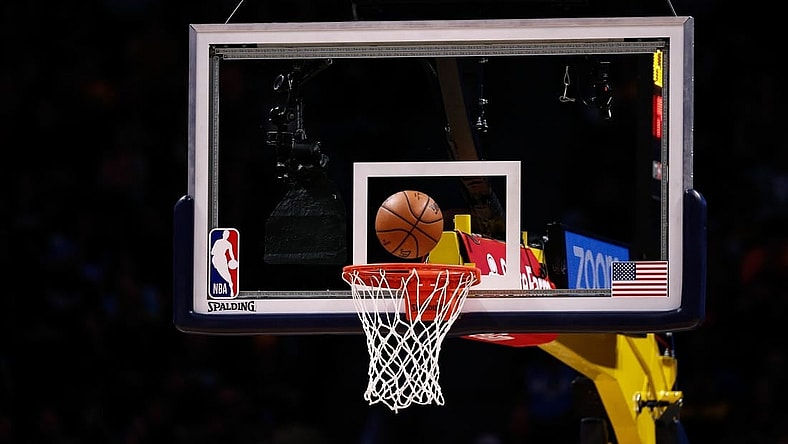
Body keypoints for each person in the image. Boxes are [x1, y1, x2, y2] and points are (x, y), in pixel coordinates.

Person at [211, 229, 237, 294]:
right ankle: (230, 284)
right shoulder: (218, 241)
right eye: (225, 234)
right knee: (220, 273)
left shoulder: (228, 244)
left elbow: (231, 253)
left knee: (226, 273)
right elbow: (212, 252)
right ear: (223, 235)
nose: (226, 236)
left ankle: (231, 287)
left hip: (222, 259)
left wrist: (233, 260)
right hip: (216, 259)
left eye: (227, 235)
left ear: (228, 236)